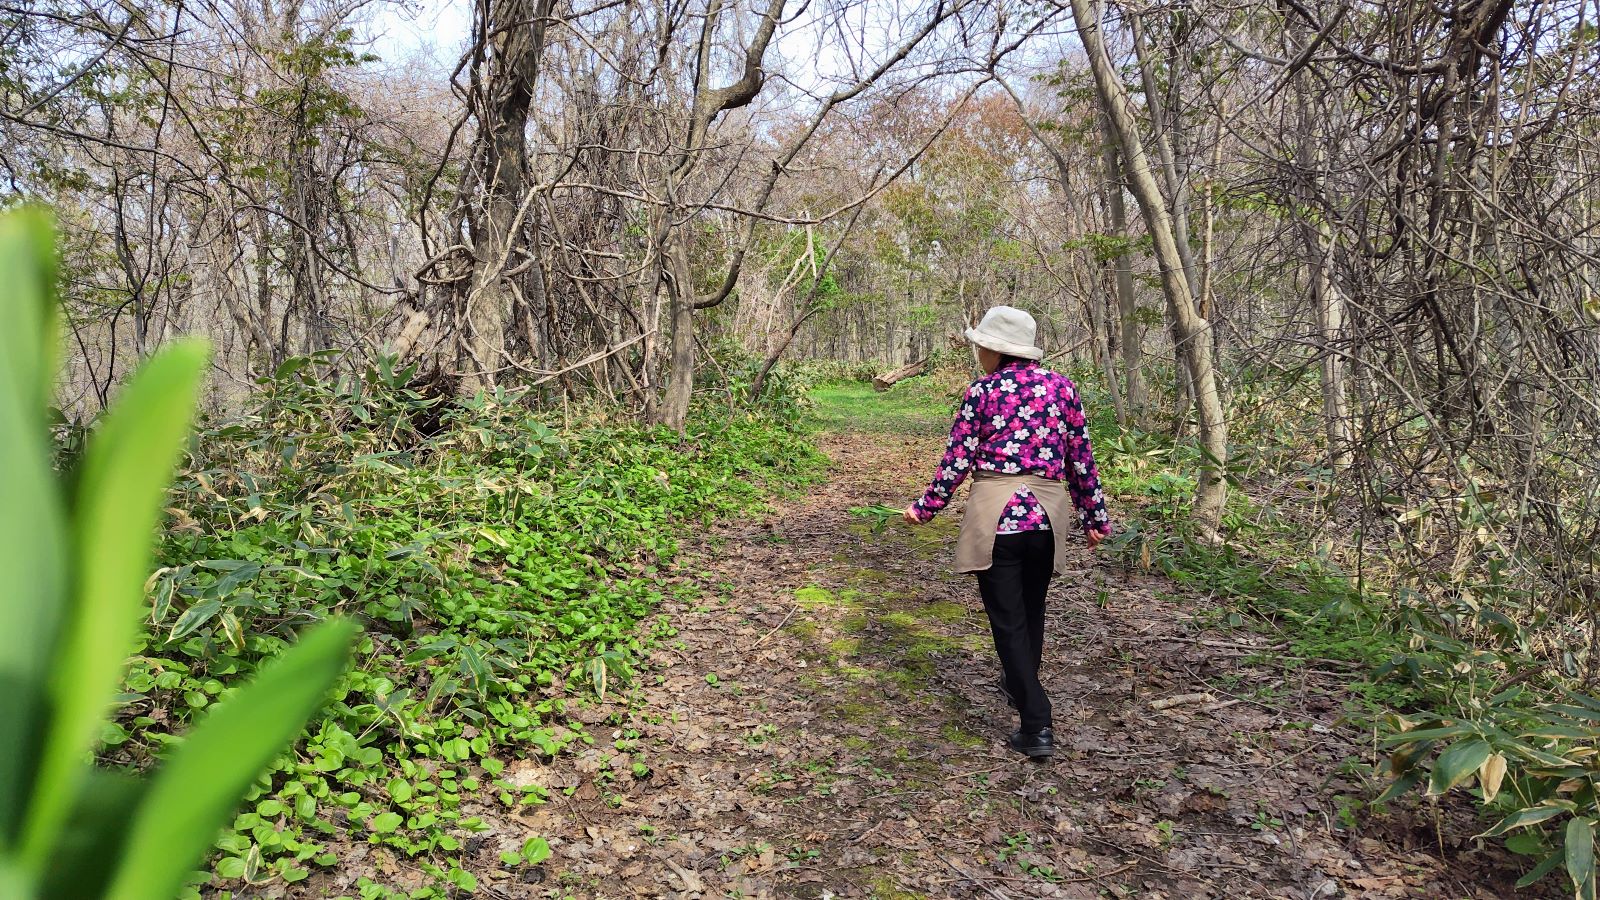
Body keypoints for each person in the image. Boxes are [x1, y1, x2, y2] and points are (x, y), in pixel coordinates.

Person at [902, 306, 1110, 759]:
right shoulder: (1062, 388)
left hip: (996, 517)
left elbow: (958, 458)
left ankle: (1035, 723)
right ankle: (1020, 686)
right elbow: (1081, 459)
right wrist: (1095, 519)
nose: (978, 352)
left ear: (995, 350)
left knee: (1008, 621)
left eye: (981, 346)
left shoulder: (982, 391)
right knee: (1031, 609)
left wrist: (926, 508)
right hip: (1047, 519)